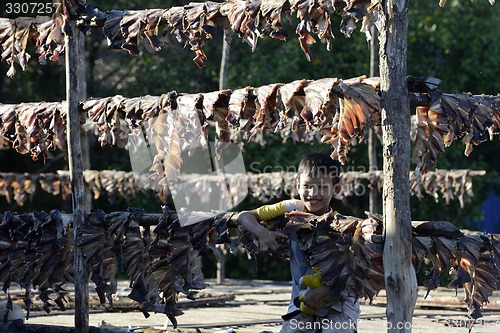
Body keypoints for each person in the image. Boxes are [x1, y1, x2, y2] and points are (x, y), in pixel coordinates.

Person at [237, 152, 359, 333]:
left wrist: (324, 290)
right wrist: (263, 233)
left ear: (336, 190)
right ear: (298, 185)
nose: (313, 193)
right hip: (300, 307)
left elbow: (355, 271)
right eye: (307, 186)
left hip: (340, 308)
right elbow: (244, 216)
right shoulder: (292, 208)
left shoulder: (343, 225)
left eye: (322, 187)